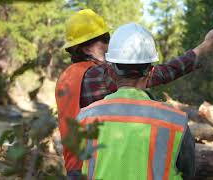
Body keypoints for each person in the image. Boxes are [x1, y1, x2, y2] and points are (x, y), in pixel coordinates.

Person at [55, 9, 213, 176]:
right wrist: (203, 49)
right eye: (105, 39)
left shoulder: (67, 76)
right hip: (89, 165)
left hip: (79, 164)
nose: (109, 44)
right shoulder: (95, 75)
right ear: (86, 49)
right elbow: (158, 73)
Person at [76, 23, 203, 179]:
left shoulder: (84, 119)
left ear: (110, 71)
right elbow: (188, 174)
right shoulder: (176, 122)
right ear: (150, 72)